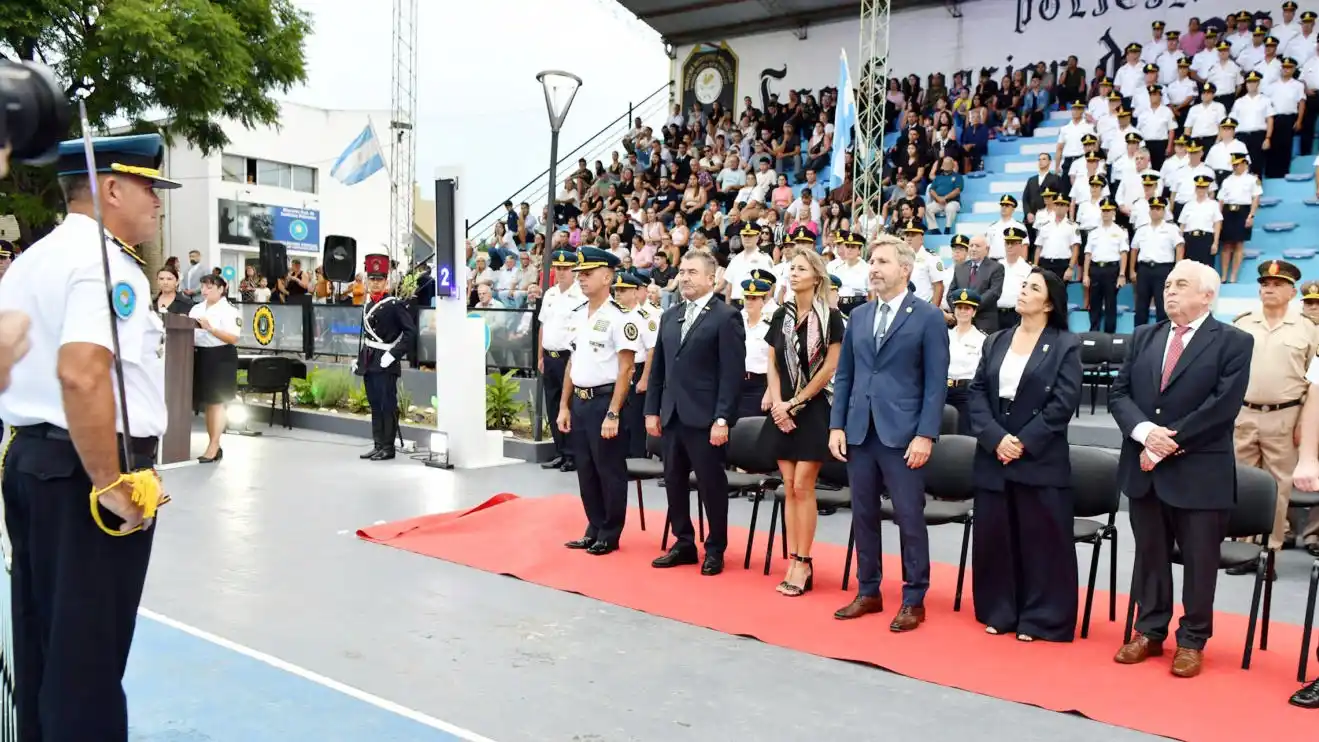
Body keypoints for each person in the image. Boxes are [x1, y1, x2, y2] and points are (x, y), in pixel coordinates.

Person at [0, 133, 179, 740]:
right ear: (111, 188)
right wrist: (110, 482)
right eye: (150, 188)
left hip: (31, 460)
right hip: (88, 474)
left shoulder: (30, 261)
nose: (158, 202)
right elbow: (81, 372)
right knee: (89, 665)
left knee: (44, 649)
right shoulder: (105, 264)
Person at [1110, 259, 1253, 678]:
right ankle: (1150, 630)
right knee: (1150, 556)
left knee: (1199, 560)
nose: (1169, 290)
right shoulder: (1143, 336)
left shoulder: (1233, 342)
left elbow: (1223, 407)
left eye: (1181, 285)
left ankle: (1192, 640)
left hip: (1199, 471)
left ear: (1207, 295)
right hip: (1145, 469)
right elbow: (1119, 394)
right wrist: (1144, 432)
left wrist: (1168, 440)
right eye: (1168, 284)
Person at [830, 234, 950, 631]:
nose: (874, 269)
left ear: (905, 269)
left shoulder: (928, 317)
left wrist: (925, 435)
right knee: (863, 514)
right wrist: (837, 425)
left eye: (881, 262)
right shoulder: (860, 316)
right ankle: (869, 590)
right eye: (871, 262)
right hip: (861, 431)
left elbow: (936, 384)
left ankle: (914, 598)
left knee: (909, 518)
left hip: (904, 435)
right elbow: (845, 375)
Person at [967, 268, 1083, 642]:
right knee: (995, 536)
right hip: (994, 452)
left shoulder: (1066, 344)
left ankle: (1041, 618)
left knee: (1040, 540)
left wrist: (1021, 442)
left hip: (1038, 456)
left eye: (1033, 287)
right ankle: (1000, 610)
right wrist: (995, 438)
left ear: (1049, 302)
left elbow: (1062, 403)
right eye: (1023, 285)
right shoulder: (997, 340)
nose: (1023, 291)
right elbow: (977, 393)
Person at [646, 249, 745, 576]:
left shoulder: (725, 316)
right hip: (672, 415)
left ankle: (715, 547)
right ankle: (683, 542)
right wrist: (651, 410)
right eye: (683, 271)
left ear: (710, 278)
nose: (685, 277)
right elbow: (658, 367)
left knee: (711, 485)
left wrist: (722, 419)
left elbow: (731, 374)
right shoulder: (669, 315)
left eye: (692, 272)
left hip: (706, 419)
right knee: (673, 481)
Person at [763, 246, 845, 595]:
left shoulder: (831, 317)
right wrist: (779, 403)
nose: (793, 273)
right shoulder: (781, 315)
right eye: (790, 268)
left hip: (813, 408)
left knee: (802, 485)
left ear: (816, 275)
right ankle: (792, 558)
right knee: (788, 487)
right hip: (783, 410)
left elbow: (830, 368)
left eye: (800, 268)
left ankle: (804, 561)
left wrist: (796, 402)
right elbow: (772, 361)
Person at [560, 247, 646, 555]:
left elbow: (626, 368)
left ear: (608, 276)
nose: (581, 278)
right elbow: (572, 363)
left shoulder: (619, 318)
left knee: (608, 468)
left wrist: (613, 413)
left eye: (588, 273)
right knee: (585, 468)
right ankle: (593, 525)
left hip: (604, 401)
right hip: (581, 401)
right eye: (580, 274)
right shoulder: (577, 314)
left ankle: (610, 531)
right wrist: (563, 405)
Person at [353, 253, 416, 461]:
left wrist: (394, 355)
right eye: (372, 279)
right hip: (370, 361)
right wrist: (360, 360)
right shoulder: (368, 304)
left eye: (379, 279)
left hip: (386, 360)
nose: (375, 283)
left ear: (386, 281)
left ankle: (388, 447)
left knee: (387, 405)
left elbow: (411, 333)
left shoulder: (394, 304)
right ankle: (378, 444)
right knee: (374, 403)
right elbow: (367, 337)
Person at [538, 249, 584, 472]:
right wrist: (540, 356)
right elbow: (543, 326)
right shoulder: (550, 294)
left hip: (568, 358)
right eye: (558, 268)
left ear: (574, 270)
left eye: (566, 268)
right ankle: (560, 451)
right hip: (550, 356)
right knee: (553, 405)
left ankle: (573, 454)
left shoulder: (581, 296)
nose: (561, 272)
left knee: (570, 406)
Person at [188, 273, 241, 463]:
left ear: (221, 289)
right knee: (208, 403)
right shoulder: (196, 308)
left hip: (220, 356)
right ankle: (214, 444)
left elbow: (234, 338)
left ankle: (213, 445)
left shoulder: (229, 311)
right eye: (203, 286)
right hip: (199, 354)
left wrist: (211, 329)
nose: (205, 290)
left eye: (210, 287)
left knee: (217, 402)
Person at [610, 270, 658, 459]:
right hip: (616, 369)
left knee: (635, 418)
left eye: (623, 290)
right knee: (619, 415)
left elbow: (652, 350)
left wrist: (645, 379)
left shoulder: (645, 318)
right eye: (617, 290)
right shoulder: (614, 315)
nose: (618, 294)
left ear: (635, 292)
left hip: (637, 370)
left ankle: (637, 458)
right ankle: (621, 456)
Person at [946, 288, 988, 435]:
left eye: (967, 308)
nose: (962, 311)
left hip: (966, 392)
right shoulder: (945, 335)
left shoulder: (982, 339)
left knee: (964, 433)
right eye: (959, 307)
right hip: (943, 390)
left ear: (974, 312)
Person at [738, 277, 773, 419]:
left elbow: (776, 364)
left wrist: (770, 391)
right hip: (737, 383)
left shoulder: (769, 327)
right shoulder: (737, 325)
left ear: (763, 301)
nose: (749, 301)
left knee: (752, 430)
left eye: (754, 298)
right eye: (747, 297)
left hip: (759, 385)